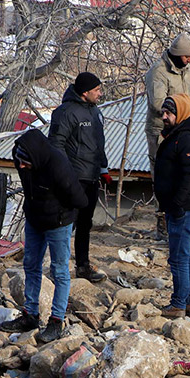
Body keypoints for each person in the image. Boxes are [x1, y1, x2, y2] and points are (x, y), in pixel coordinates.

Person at [0, 129, 88, 342]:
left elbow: (80, 200)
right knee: (31, 264)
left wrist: (61, 212)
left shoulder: (58, 165)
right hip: (34, 219)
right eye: (19, 161)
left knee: (59, 270)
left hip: (58, 222)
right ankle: (30, 315)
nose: (21, 166)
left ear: (36, 158)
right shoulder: (21, 158)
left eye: (25, 162)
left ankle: (56, 321)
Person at [48, 71, 111, 283]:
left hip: (91, 176)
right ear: (84, 92)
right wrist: (65, 174)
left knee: (85, 223)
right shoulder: (65, 112)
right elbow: (56, 144)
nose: (100, 94)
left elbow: (99, 143)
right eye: (97, 90)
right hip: (73, 178)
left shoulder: (95, 112)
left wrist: (103, 168)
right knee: (66, 224)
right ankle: (58, 269)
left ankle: (83, 266)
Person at [153, 94, 190, 319]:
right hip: (180, 207)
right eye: (163, 112)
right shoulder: (177, 135)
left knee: (178, 258)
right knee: (187, 255)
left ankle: (178, 304)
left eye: (169, 113)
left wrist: (176, 204)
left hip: (185, 209)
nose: (164, 117)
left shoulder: (189, 139)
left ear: (182, 113)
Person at [145, 33, 190, 238]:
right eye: (187, 56)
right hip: (162, 130)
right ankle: (162, 220)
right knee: (162, 174)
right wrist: (181, 109)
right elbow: (158, 103)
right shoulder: (159, 72)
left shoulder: (186, 71)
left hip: (184, 129)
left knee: (183, 171)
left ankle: (181, 215)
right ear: (177, 55)